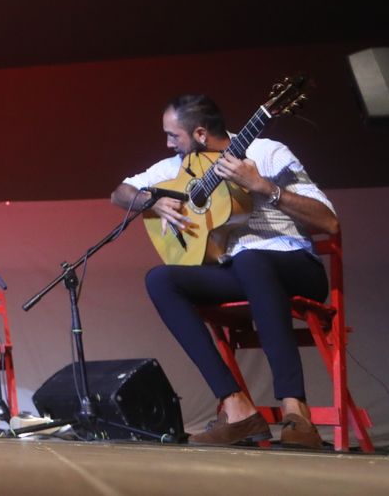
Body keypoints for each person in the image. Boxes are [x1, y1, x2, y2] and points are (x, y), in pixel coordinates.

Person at [112, 94, 339, 448]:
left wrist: (266, 188)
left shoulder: (268, 153)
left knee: (252, 258)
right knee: (161, 279)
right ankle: (237, 408)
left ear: (200, 133)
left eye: (174, 136)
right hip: (240, 271)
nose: (168, 143)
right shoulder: (178, 168)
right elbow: (120, 192)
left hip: (294, 266)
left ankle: (296, 410)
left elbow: (329, 221)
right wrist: (151, 201)